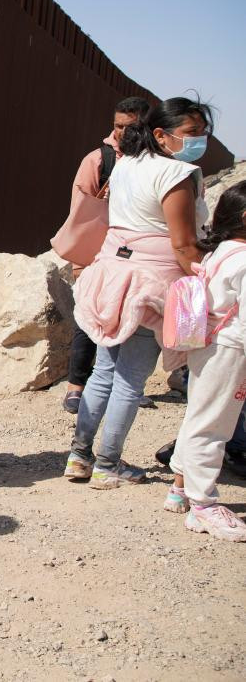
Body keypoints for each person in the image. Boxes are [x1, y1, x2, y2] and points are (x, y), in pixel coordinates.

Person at [67, 97, 212, 488]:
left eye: (203, 133)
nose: (200, 141)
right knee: (131, 379)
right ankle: (108, 464)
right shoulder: (179, 174)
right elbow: (184, 245)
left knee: (102, 372)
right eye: (192, 133)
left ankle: (79, 457)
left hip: (113, 273)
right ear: (161, 134)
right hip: (153, 284)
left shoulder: (127, 164)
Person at [163, 182, 246, 541]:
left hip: (209, 344)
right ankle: (204, 505)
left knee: (199, 416)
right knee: (214, 426)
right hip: (230, 348)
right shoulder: (243, 258)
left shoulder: (222, 251)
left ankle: (181, 488)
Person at [61, 97, 152, 413]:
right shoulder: (98, 160)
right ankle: (76, 386)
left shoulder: (153, 161)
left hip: (136, 256)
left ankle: (125, 387)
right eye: (118, 126)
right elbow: (80, 214)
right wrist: (78, 261)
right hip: (99, 255)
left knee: (129, 318)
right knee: (88, 318)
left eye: (130, 126)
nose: (122, 132)